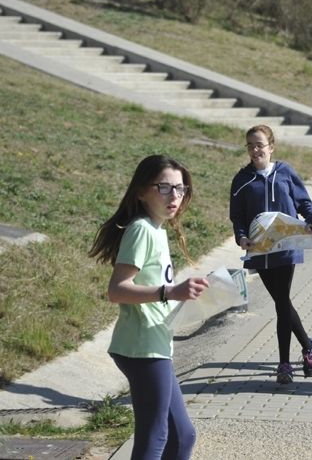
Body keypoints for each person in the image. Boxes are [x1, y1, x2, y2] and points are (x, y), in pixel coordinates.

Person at [89, 154, 209, 459]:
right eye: (164, 187)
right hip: (142, 347)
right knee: (156, 436)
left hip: (155, 342)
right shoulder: (142, 229)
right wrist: (172, 291)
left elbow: (154, 286)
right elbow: (117, 290)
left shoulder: (156, 229)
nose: (174, 196)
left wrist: (184, 296)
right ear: (142, 191)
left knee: (182, 436)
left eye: (180, 188)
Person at [229, 124, 312, 384]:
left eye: (259, 145)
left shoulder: (285, 172)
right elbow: (237, 216)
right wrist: (242, 237)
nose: (255, 150)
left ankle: (284, 364)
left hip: (286, 247)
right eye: (250, 145)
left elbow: (303, 202)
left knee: (281, 302)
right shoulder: (242, 180)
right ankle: (308, 346)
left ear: (271, 147)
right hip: (260, 252)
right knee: (282, 301)